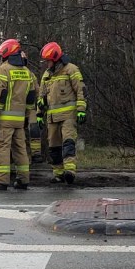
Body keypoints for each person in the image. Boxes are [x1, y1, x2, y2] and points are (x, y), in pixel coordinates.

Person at [0, 38, 37, 190]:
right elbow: (31, 96)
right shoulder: (26, 72)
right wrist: (28, 115)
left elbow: (0, 95)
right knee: (20, 148)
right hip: (19, 118)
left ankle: (2, 181)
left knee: (3, 148)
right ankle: (23, 179)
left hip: (5, 118)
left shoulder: (4, 69)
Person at [38, 41, 87, 184]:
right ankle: (58, 173)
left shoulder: (71, 70)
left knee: (68, 142)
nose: (47, 64)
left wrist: (81, 110)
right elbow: (41, 97)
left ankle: (70, 171)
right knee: (54, 146)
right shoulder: (47, 75)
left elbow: (81, 91)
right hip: (52, 117)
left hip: (68, 116)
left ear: (55, 59)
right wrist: (39, 113)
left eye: (48, 61)